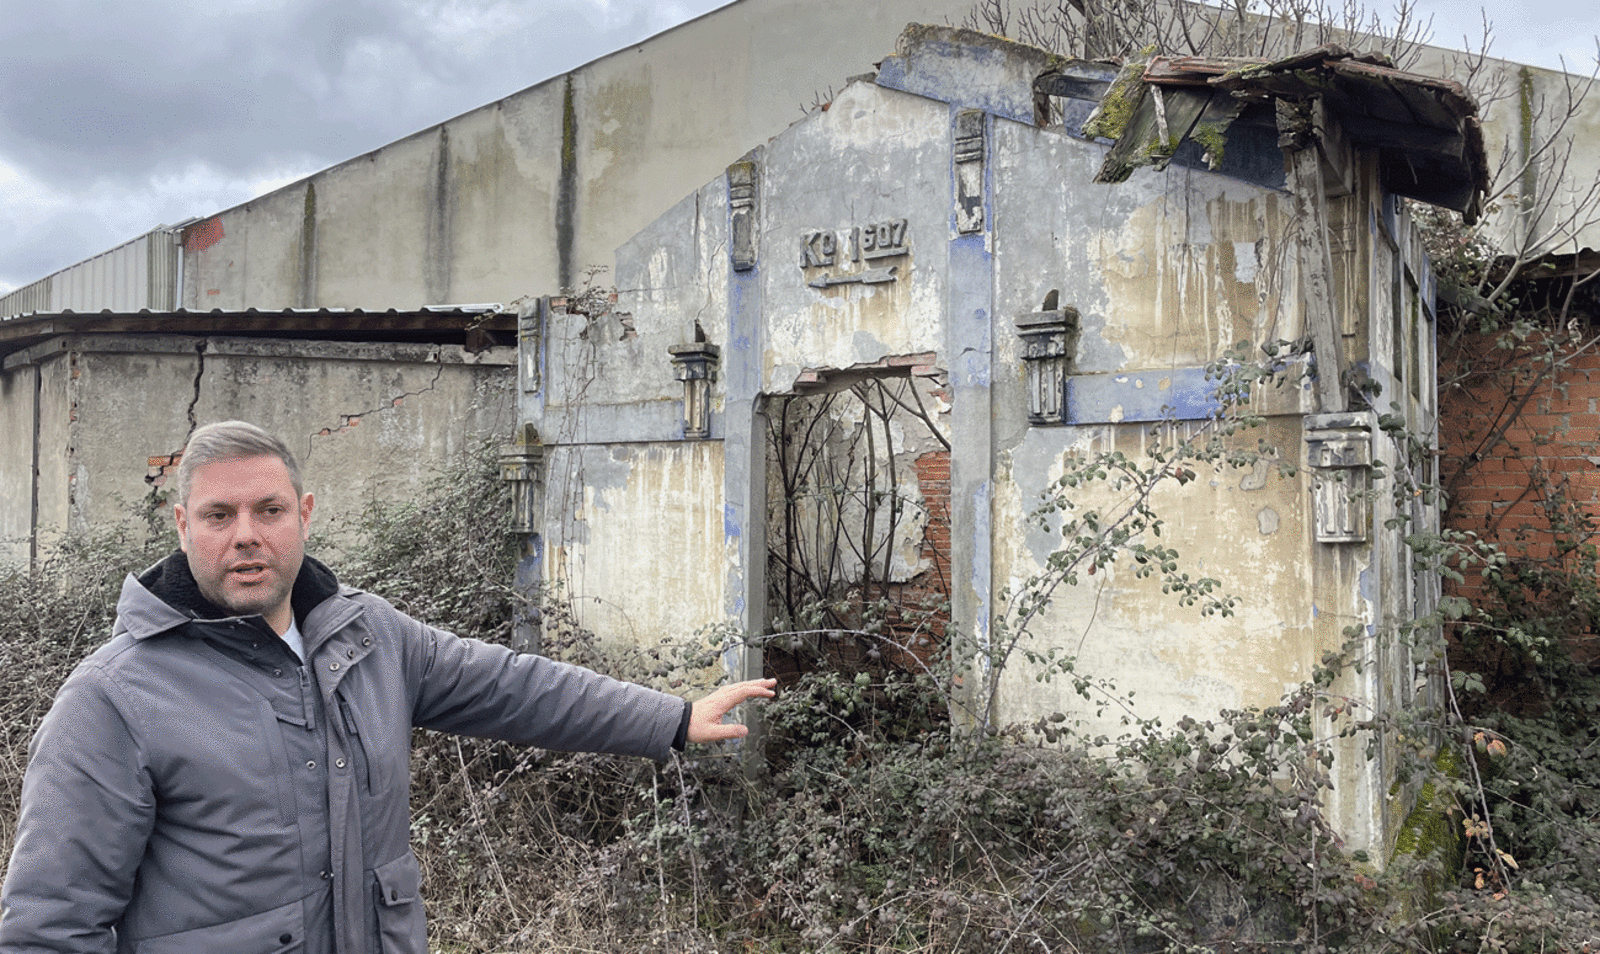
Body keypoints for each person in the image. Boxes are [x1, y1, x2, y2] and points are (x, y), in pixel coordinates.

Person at [0, 420, 775, 954]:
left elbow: (514, 687)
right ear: (181, 526)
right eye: (219, 514)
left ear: (302, 516)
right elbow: (51, 923)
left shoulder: (369, 637)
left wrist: (670, 718)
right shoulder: (113, 700)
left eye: (268, 510)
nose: (246, 533)